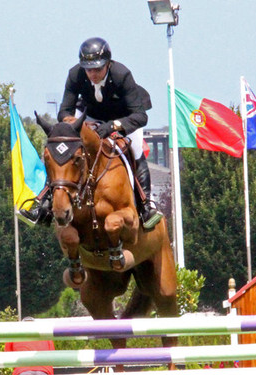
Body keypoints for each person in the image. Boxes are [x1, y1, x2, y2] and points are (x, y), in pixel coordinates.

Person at [20, 37, 163, 231]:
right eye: (89, 69)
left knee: (136, 151)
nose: (92, 74)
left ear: (107, 64)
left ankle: (146, 205)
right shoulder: (75, 74)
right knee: (64, 151)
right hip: (91, 117)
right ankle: (43, 203)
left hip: (125, 117)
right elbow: (64, 111)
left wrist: (113, 126)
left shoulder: (122, 75)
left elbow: (140, 116)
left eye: (97, 69)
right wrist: (72, 127)